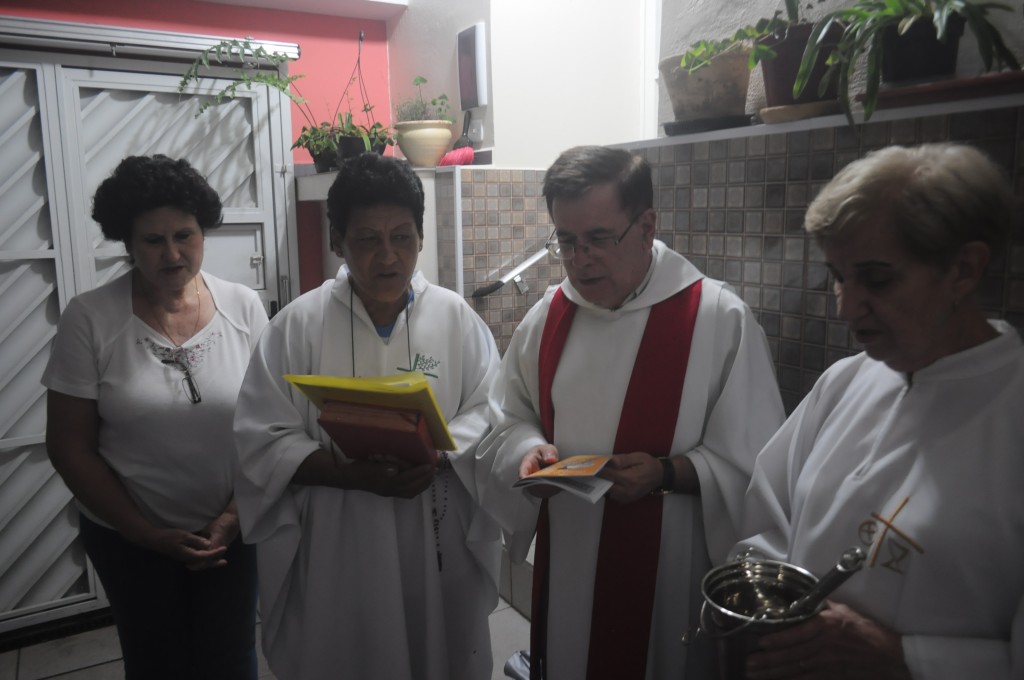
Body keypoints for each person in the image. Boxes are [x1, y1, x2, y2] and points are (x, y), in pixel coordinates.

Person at [477, 145, 786, 680]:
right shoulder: (549, 316)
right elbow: (506, 415)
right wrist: (528, 452)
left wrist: (666, 473)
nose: (580, 259)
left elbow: (759, 468)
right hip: (570, 558)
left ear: (646, 226)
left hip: (667, 570)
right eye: (566, 241)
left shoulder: (717, 319)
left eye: (599, 238)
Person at [735, 143, 1024, 680]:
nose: (846, 307)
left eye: (877, 279)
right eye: (839, 276)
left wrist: (907, 658)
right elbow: (770, 518)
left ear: (964, 269)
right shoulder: (846, 381)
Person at [233, 153, 502, 680]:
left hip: (435, 524)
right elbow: (260, 437)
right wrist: (344, 474)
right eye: (366, 239)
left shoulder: (455, 318)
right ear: (337, 241)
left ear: (421, 236)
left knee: (436, 648)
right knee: (348, 650)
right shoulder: (298, 325)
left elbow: (491, 412)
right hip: (338, 533)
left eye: (402, 237)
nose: (388, 256)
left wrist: (440, 453)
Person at [41, 155, 269, 679]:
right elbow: (69, 447)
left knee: (231, 658)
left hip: (231, 532)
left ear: (203, 233)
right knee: (156, 664)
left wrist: (232, 518)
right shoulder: (90, 319)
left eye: (184, 235)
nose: (172, 253)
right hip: (128, 539)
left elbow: (270, 426)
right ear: (127, 242)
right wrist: (143, 532)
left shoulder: (243, 307)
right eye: (152, 240)